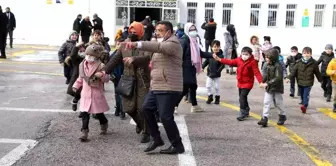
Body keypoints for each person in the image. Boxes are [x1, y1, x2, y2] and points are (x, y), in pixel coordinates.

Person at [121, 21, 185, 154]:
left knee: (165, 116)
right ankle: (156, 138)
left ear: (169, 31)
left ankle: (177, 145)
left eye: (161, 30)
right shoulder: (159, 44)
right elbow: (148, 55)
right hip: (156, 84)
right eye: (156, 30)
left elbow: (159, 47)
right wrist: (134, 58)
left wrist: (138, 43)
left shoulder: (173, 43)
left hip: (169, 86)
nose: (157, 32)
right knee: (146, 109)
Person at [105, 21, 152, 143]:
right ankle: (141, 124)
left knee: (142, 108)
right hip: (128, 80)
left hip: (143, 80)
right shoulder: (123, 45)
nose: (131, 33)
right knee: (128, 108)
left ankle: (146, 133)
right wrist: (104, 72)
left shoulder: (146, 44)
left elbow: (147, 58)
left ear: (141, 33)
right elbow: (114, 60)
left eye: (135, 31)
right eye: (130, 31)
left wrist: (134, 59)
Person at [213, 47, 263, 121]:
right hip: (240, 82)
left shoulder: (253, 62)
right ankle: (246, 110)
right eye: (243, 54)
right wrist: (220, 59)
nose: (244, 55)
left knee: (242, 97)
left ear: (250, 54)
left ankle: (242, 113)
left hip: (248, 83)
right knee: (243, 97)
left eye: (246, 54)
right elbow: (230, 62)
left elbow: (257, 72)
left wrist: (261, 82)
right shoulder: (238, 60)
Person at [72, 44, 110, 142]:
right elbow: (81, 77)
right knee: (85, 113)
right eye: (87, 55)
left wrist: (101, 75)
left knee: (98, 113)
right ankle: (84, 132)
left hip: (96, 93)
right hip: (85, 94)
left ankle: (104, 123)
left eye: (92, 55)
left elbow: (106, 79)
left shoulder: (101, 65)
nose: (89, 57)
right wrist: (76, 86)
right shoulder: (82, 65)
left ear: (97, 56)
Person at [286, 47, 322, 114]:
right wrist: (288, 78)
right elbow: (293, 72)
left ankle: (305, 106)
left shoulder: (314, 63)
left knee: (306, 95)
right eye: (304, 53)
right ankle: (303, 103)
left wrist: (321, 81)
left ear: (311, 54)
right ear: (302, 54)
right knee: (302, 95)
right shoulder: (298, 62)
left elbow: (317, 73)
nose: (306, 55)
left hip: (308, 83)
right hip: (300, 82)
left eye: (308, 53)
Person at [258, 49, 286, 127]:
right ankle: (264, 118)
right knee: (266, 102)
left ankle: (282, 116)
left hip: (277, 88)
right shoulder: (267, 64)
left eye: (268, 57)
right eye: (266, 57)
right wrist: (262, 81)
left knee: (278, 103)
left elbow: (278, 78)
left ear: (273, 57)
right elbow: (266, 75)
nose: (266, 59)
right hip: (269, 88)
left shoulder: (278, 65)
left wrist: (267, 83)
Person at [66, 41, 86, 112]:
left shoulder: (88, 57)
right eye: (80, 47)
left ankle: (83, 112)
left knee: (86, 95)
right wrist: (76, 46)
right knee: (78, 93)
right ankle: (75, 101)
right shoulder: (77, 58)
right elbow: (72, 55)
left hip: (86, 79)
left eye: (82, 47)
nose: (81, 48)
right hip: (78, 78)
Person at [202, 40, 224, 104]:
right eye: (214, 47)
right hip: (210, 74)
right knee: (208, 86)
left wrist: (218, 71)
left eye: (217, 47)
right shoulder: (210, 55)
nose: (216, 48)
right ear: (211, 47)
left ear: (219, 47)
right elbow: (206, 62)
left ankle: (217, 98)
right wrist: (202, 67)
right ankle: (210, 96)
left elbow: (222, 65)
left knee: (217, 87)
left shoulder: (221, 56)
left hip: (217, 75)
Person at [109, 38, 126, 120]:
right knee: (116, 94)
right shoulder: (113, 54)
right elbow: (109, 64)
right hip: (115, 76)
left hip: (123, 77)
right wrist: (111, 74)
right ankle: (118, 108)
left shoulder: (125, 54)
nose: (118, 46)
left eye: (120, 44)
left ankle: (122, 111)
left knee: (122, 94)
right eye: (117, 44)